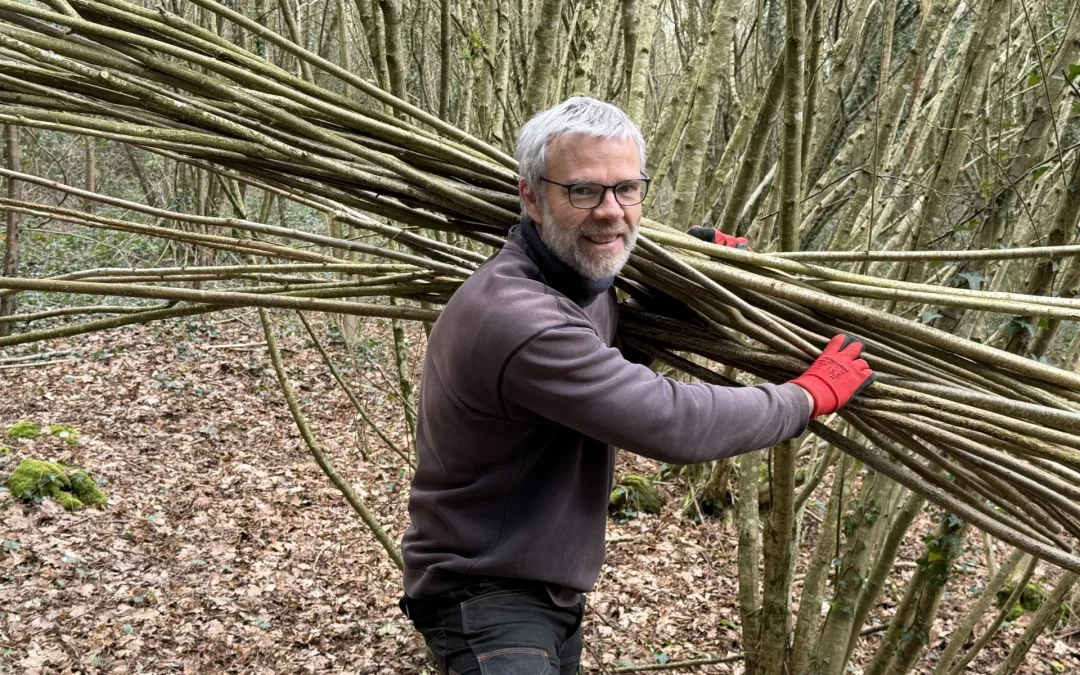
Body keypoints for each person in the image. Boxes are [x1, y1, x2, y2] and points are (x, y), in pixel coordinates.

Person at [399, 96, 875, 674]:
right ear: (530, 194)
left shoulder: (580, 284)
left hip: (538, 592)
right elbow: (672, 421)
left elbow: (604, 358)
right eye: (583, 191)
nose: (610, 210)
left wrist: (690, 286)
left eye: (627, 189)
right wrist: (807, 395)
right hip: (485, 594)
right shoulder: (518, 318)